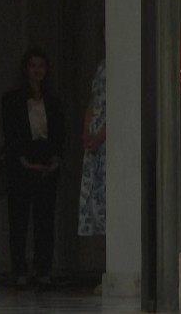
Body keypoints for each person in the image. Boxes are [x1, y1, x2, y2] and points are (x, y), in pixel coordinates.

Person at [1, 47, 65, 289]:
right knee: (18, 220)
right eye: (33, 66)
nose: (37, 71)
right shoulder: (12, 99)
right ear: (25, 69)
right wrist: (22, 160)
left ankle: (43, 270)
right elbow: (9, 132)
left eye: (41, 66)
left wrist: (56, 158)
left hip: (47, 161)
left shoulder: (53, 100)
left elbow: (60, 132)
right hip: (21, 163)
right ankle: (19, 269)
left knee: (45, 220)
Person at [78, 58, 106, 237]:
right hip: (93, 139)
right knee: (92, 199)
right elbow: (93, 100)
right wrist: (86, 131)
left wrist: (101, 135)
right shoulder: (102, 65)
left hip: (107, 141)